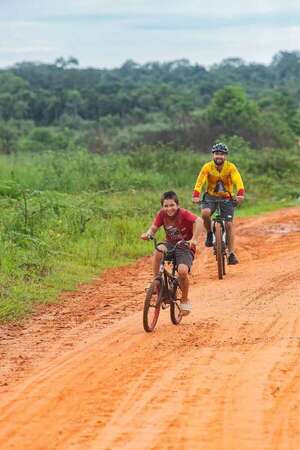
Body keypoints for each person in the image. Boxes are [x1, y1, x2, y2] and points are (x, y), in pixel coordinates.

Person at [141, 191, 201, 316]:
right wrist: (148, 234)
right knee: (158, 250)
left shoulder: (183, 213)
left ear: (177, 205)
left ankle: (184, 300)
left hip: (184, 246)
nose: (169, 208)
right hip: (170, 243)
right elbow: (153, 228)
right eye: (166, 206)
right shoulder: (162, 215)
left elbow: (199, 221)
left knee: (183, 272)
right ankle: (156, 282)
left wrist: (194, 239)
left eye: (172, 205)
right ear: (162, 206)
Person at [192, 143, 245, 265]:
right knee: (205, 214)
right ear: (213, 155)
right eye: (216, 154)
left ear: (225, 156)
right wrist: (196, 195)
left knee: (229, 225)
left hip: (227, 197)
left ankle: (231, 253)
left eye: (221, 154)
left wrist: (240, 193)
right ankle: (210, 234)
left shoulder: (231, 167)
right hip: (210, 197)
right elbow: (200, 182)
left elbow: (238, 180)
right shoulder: (207, 167)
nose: (219, 156)